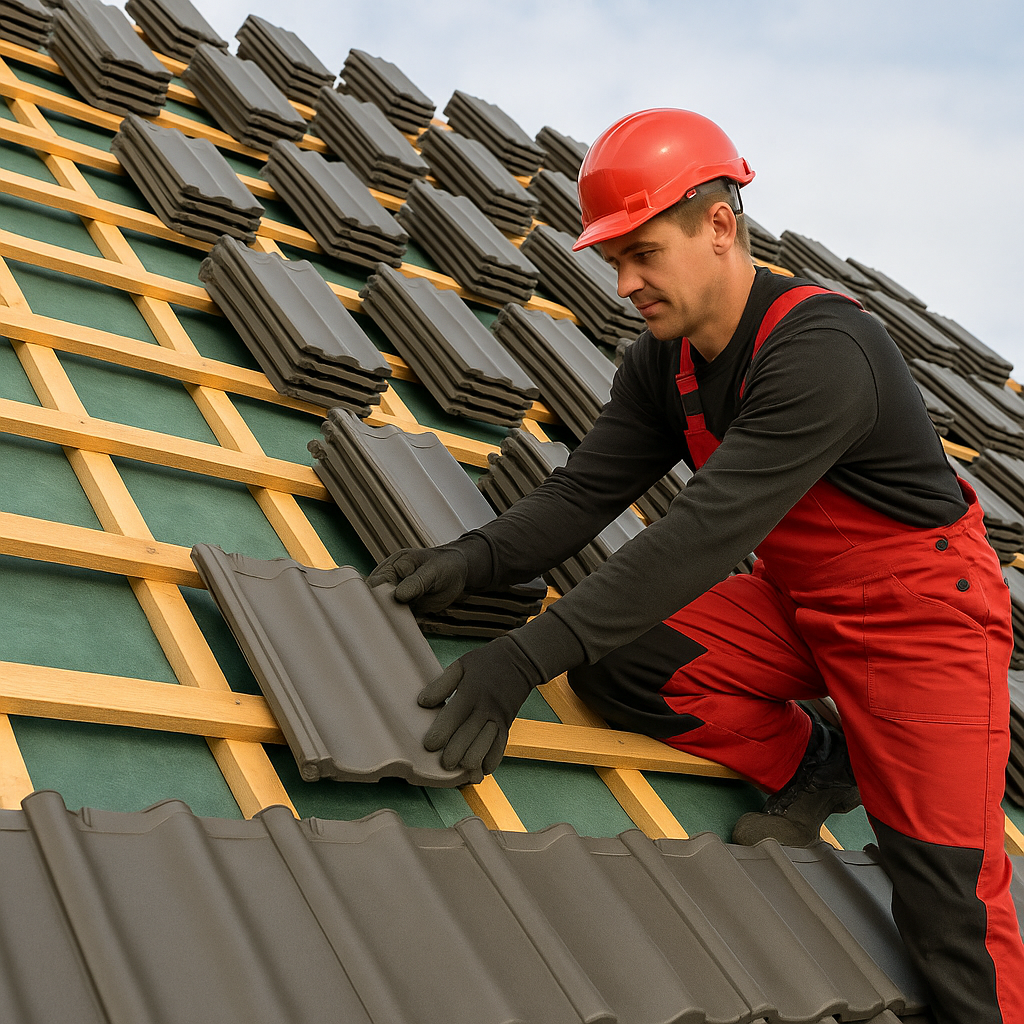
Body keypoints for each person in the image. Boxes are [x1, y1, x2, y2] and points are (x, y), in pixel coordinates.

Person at [368, 108, 1024, 1022]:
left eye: (644, 253)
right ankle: (817, 762)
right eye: (614, 261)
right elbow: (581, 496)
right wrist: (473, 559)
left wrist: (523, 657)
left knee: (945, 897)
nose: (627, 282)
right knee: (620, 659)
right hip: (798, 604)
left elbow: (705, 530)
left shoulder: (824, 349)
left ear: (719, 225)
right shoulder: (662, 367)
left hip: (923, 620)